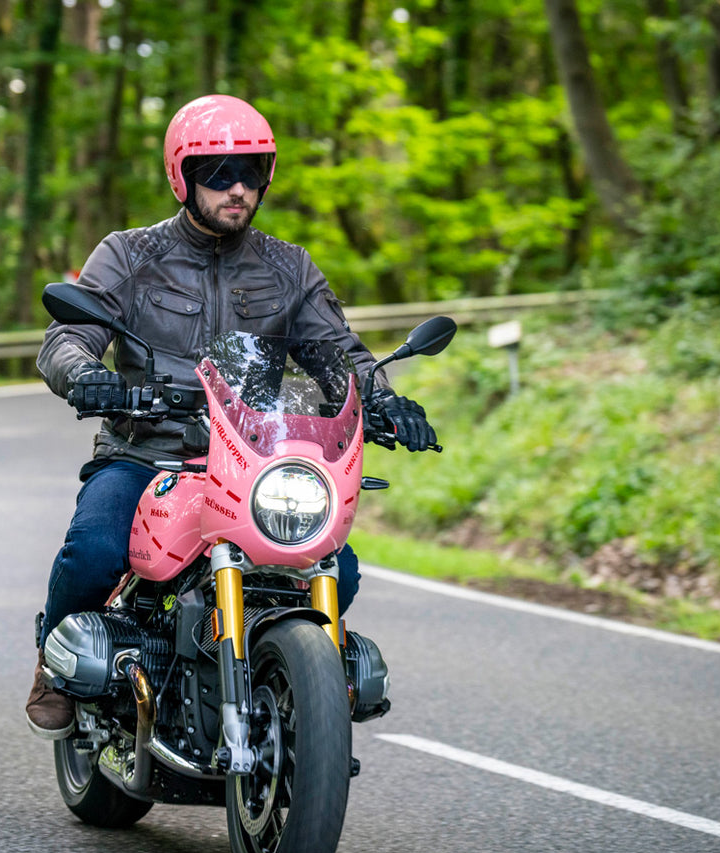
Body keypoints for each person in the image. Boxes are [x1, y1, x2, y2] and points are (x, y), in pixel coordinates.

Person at [26, 94, 437, 738]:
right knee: (94, 549)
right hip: (148, 453)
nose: (237, 187)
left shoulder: (289, 267)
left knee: (338, 567)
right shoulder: (130, 255)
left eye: (251, 171)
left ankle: (295, 687)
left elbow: (339, 355)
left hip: (253, 461)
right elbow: (67, 338)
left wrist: (383, 399)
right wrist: (87, 377)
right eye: (217, 173)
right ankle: (54, 668)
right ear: (182, 176)